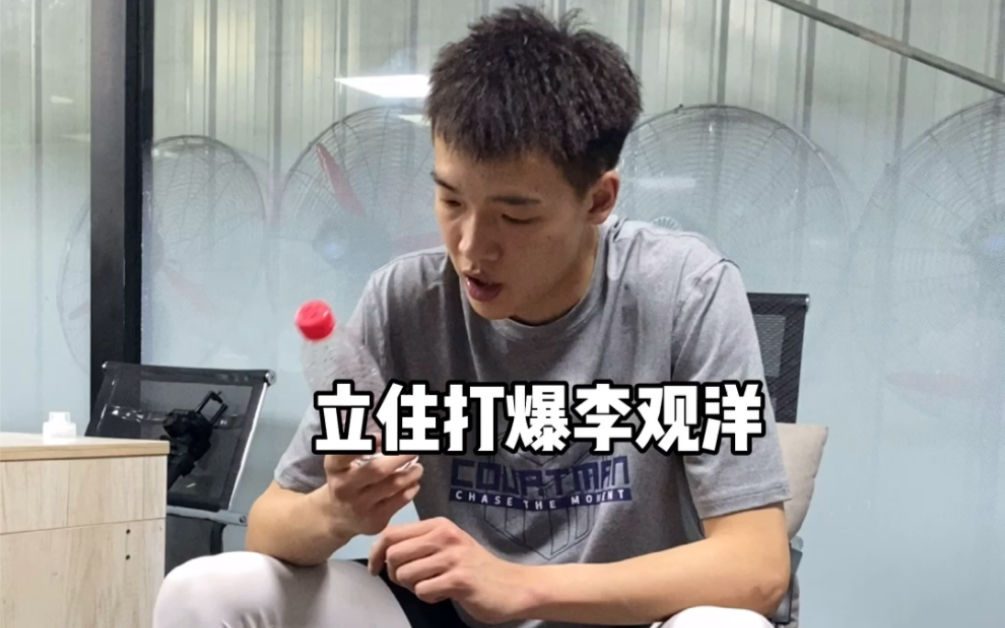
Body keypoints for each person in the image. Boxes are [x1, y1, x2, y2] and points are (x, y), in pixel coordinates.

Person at [152, 5, 793, 628]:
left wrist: (520, 586)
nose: (470, 247)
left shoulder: (685, 291)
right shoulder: (404, 301)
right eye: (451, 200)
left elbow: (758, 567)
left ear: (598, 199)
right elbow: (269, 523)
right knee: (205, 592)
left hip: (633, 615)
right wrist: (338, 512)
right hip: (458, 614)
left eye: (515, 216)